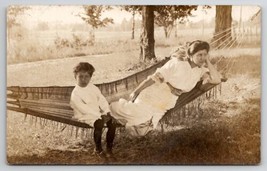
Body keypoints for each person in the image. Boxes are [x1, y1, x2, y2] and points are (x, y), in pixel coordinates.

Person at [110, 40, 222, 136]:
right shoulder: (177, 64)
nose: (202, 58)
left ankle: (123, 116)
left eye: (205, 54)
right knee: (140, 117)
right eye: (199, 55)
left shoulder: (200, 71)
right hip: (155, 93)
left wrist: (207, 61)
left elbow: (217, 79)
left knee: (143, 129)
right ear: (191, 55)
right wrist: (136, 91)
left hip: (167, 102)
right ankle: (115, 108)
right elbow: (153, 78)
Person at [70, 62, 116, 158]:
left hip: (96, 112)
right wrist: (99, 116)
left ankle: (109, 148)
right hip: (84, 115)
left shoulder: (93, 87)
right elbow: (83, 109)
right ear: (75, 77)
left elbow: (101, 100)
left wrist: (106, 111)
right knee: (98, 123)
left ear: (90, 77)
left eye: (86, 77)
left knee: (112, 122)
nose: (83, 79)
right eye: (80, 77)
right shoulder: (76, 93)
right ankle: (98, 149)